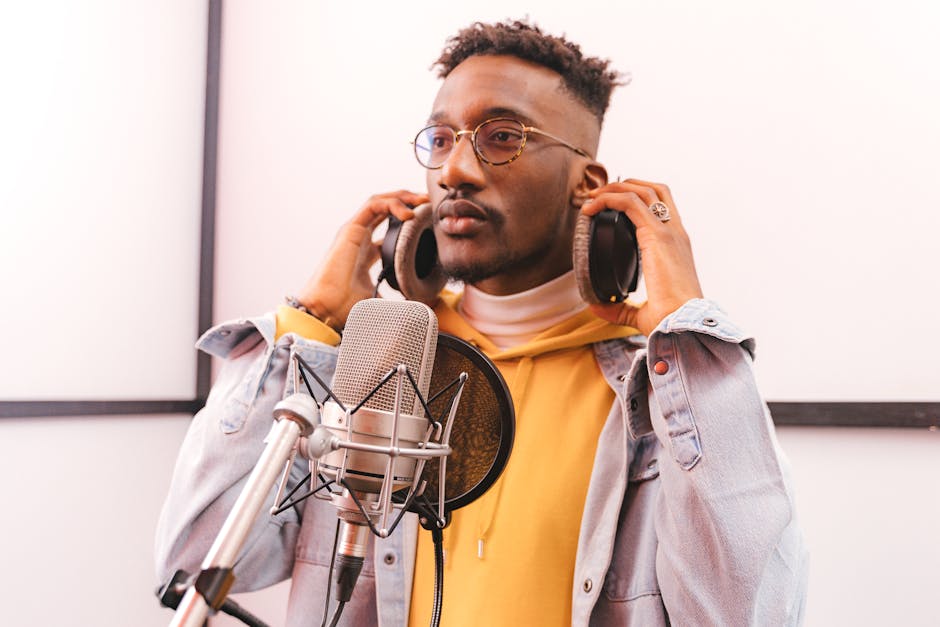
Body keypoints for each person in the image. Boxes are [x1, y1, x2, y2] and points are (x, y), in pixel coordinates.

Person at [156, 19, 808, 626]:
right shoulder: (372, 365)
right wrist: (310, 320)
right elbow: (192, 561)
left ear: (589, 182)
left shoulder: (662, 392)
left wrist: (687, 337)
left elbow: (750, 614)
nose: (454, 171)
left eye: (502, 137)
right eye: (440, 140)